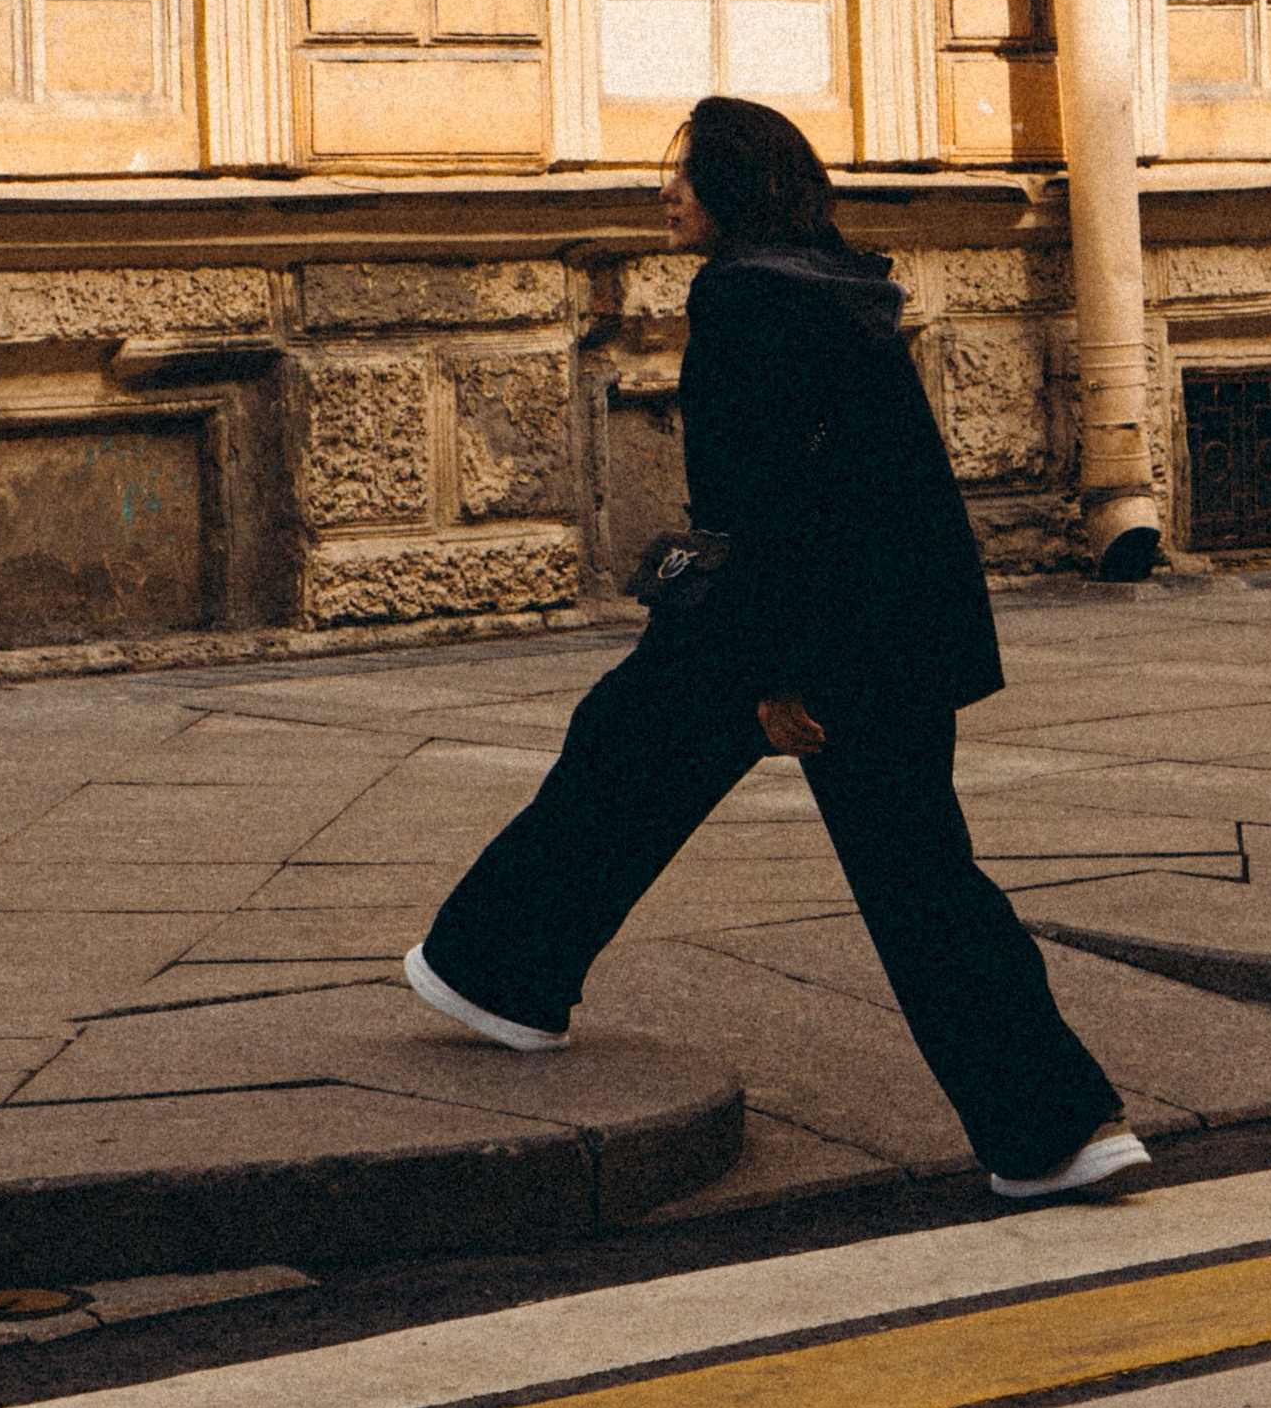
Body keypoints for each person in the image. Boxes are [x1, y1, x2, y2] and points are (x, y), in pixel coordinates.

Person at [407, 95, 1148, 1203]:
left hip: (813, 629)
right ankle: (499, 970)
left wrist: (775, 681)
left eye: (684, 171)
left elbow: (770, 506)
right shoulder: (835, 286)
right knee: (638, 741)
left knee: (904, 875)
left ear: (735, 188)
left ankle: (1052, 1130)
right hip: (890, 623)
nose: (664, 188)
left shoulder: (745, 300)